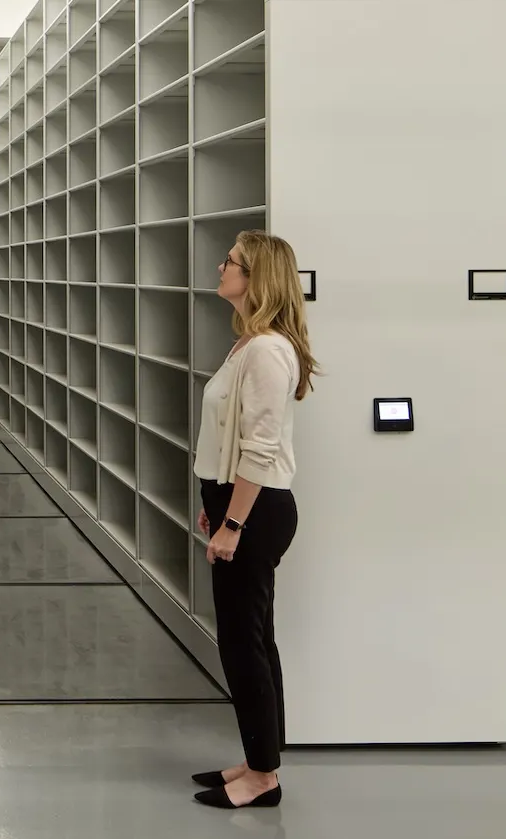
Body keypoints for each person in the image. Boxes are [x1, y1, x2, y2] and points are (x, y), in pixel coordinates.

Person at [188, 229, 317, 810]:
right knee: (253, 639)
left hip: (257, 512)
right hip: (238, 503)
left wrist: (232, 524)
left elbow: (261, 450)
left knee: (244, 645)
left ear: (256, 278)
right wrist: (214, 503)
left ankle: (264, 778)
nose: (222, 266)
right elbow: (229, 437)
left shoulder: (266, 351)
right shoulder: (249, 343)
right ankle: (258, 758)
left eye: (232, 262)